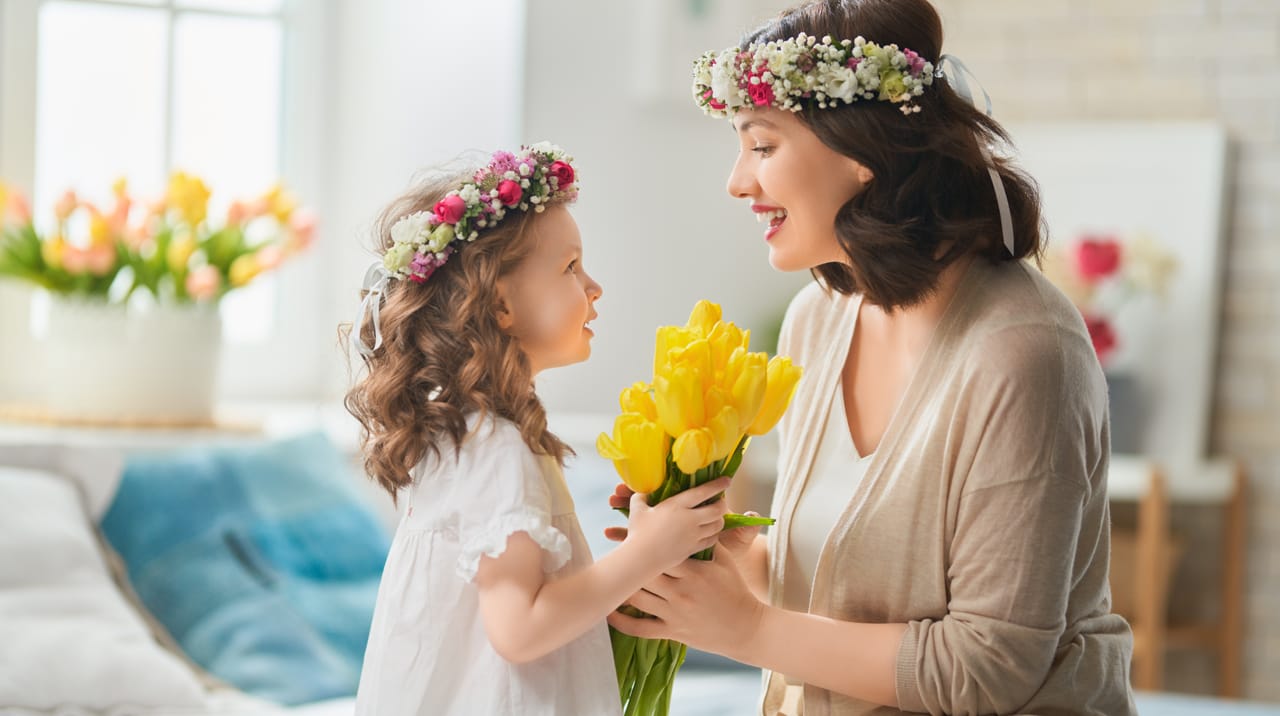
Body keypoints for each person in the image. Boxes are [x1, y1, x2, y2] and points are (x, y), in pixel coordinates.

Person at [606, 2, 1138, 714]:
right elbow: (843, 583)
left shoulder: (1024, 353)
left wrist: (745, 628)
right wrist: (715, 560)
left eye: (762, 147)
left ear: (861, 153)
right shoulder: (817, 320)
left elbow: (989, 668)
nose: (737, 182)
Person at [344, 143, 730, 715]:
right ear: (499, 306)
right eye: (570, 268)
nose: (594, 287)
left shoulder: (470, 432)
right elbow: (519, 630)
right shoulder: (494, 445)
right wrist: (648, 552)